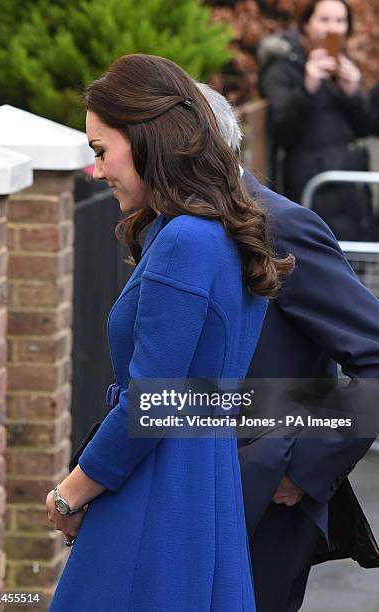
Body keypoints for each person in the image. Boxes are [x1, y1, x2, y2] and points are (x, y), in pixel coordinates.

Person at [45, 54, 293, 611]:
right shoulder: (211, 230)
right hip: (199, 487)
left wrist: (71, 492)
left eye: (101, 152)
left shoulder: (186, 240)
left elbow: (152, 404)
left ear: (147, 139)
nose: (97, 171)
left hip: (158, 496)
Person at [198, 82, 379, 611]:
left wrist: (299, 468)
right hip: (199, 491)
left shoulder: (283, 227)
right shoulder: (173, 231)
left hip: (270, 504)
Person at [258, 0, 377, 241]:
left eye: (340, 21)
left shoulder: (345, 68)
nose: (333, 28)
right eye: (324, 20)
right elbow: (281, 129)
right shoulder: (283, 66)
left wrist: (352, 93)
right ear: (306, 25)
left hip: (352, 196)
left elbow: (369, 126)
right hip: (309, 194)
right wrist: (307, 89)